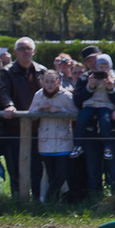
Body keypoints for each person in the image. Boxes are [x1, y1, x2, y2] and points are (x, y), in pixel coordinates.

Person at [0, 37, 46, 199]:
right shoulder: (6, 72)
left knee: (37, 167)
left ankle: (38, 200)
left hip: (38, 128)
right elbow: (2, 91)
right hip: (15, 128)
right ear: (15, 52)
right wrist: (9, 106)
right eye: (22, 48)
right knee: (15, 166)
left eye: (29, 48)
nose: (26, 52)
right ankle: (18, 200)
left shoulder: (41, 71)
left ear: (33, 51)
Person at [71, 54, 115, 162]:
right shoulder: (91, 76)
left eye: (106, 67)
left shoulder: (113, 77)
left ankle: (108, 147)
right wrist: (90, 85)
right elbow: (81, 95)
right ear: (97, 67)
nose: (103, 69)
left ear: (110, 67)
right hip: (90, 104)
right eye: (101, 67)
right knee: (82, 118)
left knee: (105, 120)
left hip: (105, 105)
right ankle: (77, 145)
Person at [31, 70, 74, 203]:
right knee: (51, 174)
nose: (49, 85)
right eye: (47, 81)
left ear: (58, 82)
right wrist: (40, 109)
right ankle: (54, 203)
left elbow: (75, 113)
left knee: (62, 173)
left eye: (52, 81)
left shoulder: (66, 95)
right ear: (42, 82)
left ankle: (48, 196)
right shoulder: (38, 95)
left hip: (63, 139)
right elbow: (30, 114)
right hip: (45, 140)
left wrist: (61, 111)